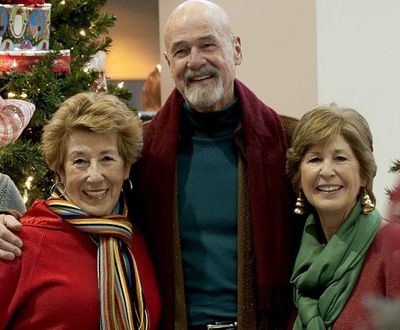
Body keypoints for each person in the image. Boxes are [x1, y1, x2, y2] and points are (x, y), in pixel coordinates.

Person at [0, 1, 302, 328]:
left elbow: (332, 224)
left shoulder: (289, 141)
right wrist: (8, 222)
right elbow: (73, 209)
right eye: (182, 51)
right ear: (169, 63)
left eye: (208, 45)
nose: (196, 61)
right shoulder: (146, 149)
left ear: (237, 49)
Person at [0, 92, 160, 329]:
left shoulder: (137, 240)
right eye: (79, 161)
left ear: (126, 167)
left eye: (107, 158)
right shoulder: (18, 243)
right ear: (60, 172)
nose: (94, 176)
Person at [285, 104, 400, 329]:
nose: (326, 171)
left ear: (364, 173)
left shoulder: (392, 251)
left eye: (340, 158)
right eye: (315, 159)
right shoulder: (300, 259)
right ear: (298, 177)